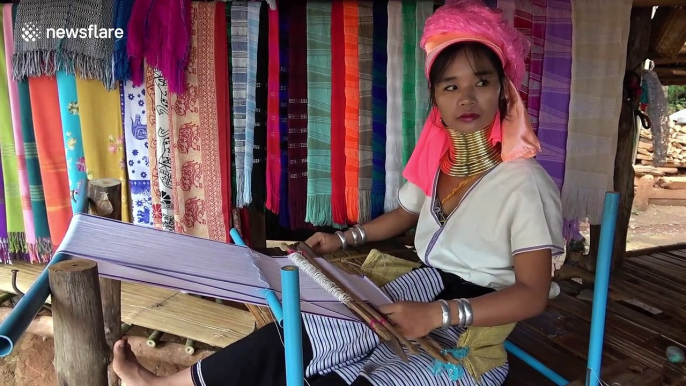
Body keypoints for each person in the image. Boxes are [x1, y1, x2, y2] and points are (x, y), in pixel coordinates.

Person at [112, 0, 563, 385]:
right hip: (422, 290)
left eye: (481, 82)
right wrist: (341, 239)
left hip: (471, 329)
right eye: (451, 86)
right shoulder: (441, 161)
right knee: (307, 335)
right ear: (435, 99)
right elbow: (404, 214)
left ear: (503, 89)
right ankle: (174, 383)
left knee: (351, 375)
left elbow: (533, 293)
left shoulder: (523, 182)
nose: (467, 98)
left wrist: (440, 316)